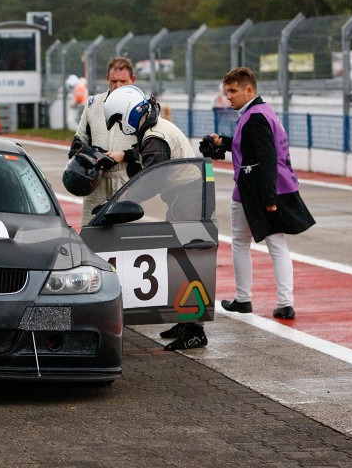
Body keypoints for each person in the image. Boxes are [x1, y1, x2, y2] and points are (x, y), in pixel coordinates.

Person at [100, 85, 204, 350]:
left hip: (187, 200)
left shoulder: (154, 137)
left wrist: (118, 203)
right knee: (181, 261)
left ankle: (195, 331)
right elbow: (147, 161)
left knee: (187, 263)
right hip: (186, 198)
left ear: (126, 115)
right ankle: (186, 320)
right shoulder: (155, 129)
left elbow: (151, 180)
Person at [207, 67, 315, 321]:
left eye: (233, 91)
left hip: (255, 190)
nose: (228, 97)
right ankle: (284, 303)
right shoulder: (262, 112)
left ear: (249, 90)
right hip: (272, 187)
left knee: (242, 243)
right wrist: (225, 141)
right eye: (226, 92)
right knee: (276, 245)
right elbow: (254, 147)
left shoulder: (254, 117)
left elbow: (266, 158)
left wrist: (268, 199)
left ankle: (245, 299)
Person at [68, 57, 138, 224]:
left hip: (127, 184)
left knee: (125, 241)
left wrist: (124, 155)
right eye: (114, 81)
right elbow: (77, 142)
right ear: (107, 78)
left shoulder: (144, 108)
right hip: (95, 182)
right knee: (91, 236)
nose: (118, 86)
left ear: (133, 80)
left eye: (123, 81)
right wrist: (93, 155)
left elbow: (153, 152)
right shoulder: (93, 104)